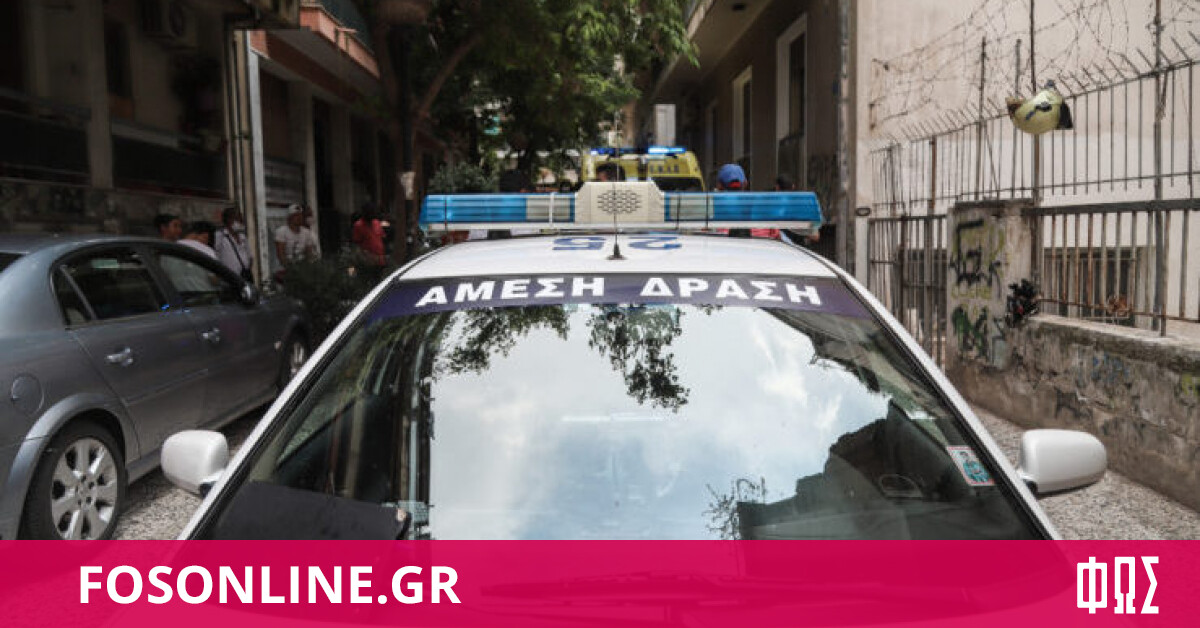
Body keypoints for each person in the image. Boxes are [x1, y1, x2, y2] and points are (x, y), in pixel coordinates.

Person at [215, 206, 253, 282]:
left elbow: (250, 257)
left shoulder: (243, 237)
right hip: (228, 279)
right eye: (238, 220)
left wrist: (246, 268)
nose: (241, 223)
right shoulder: (220, 236)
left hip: (244, 277)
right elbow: (215, 255)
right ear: (229, 220)